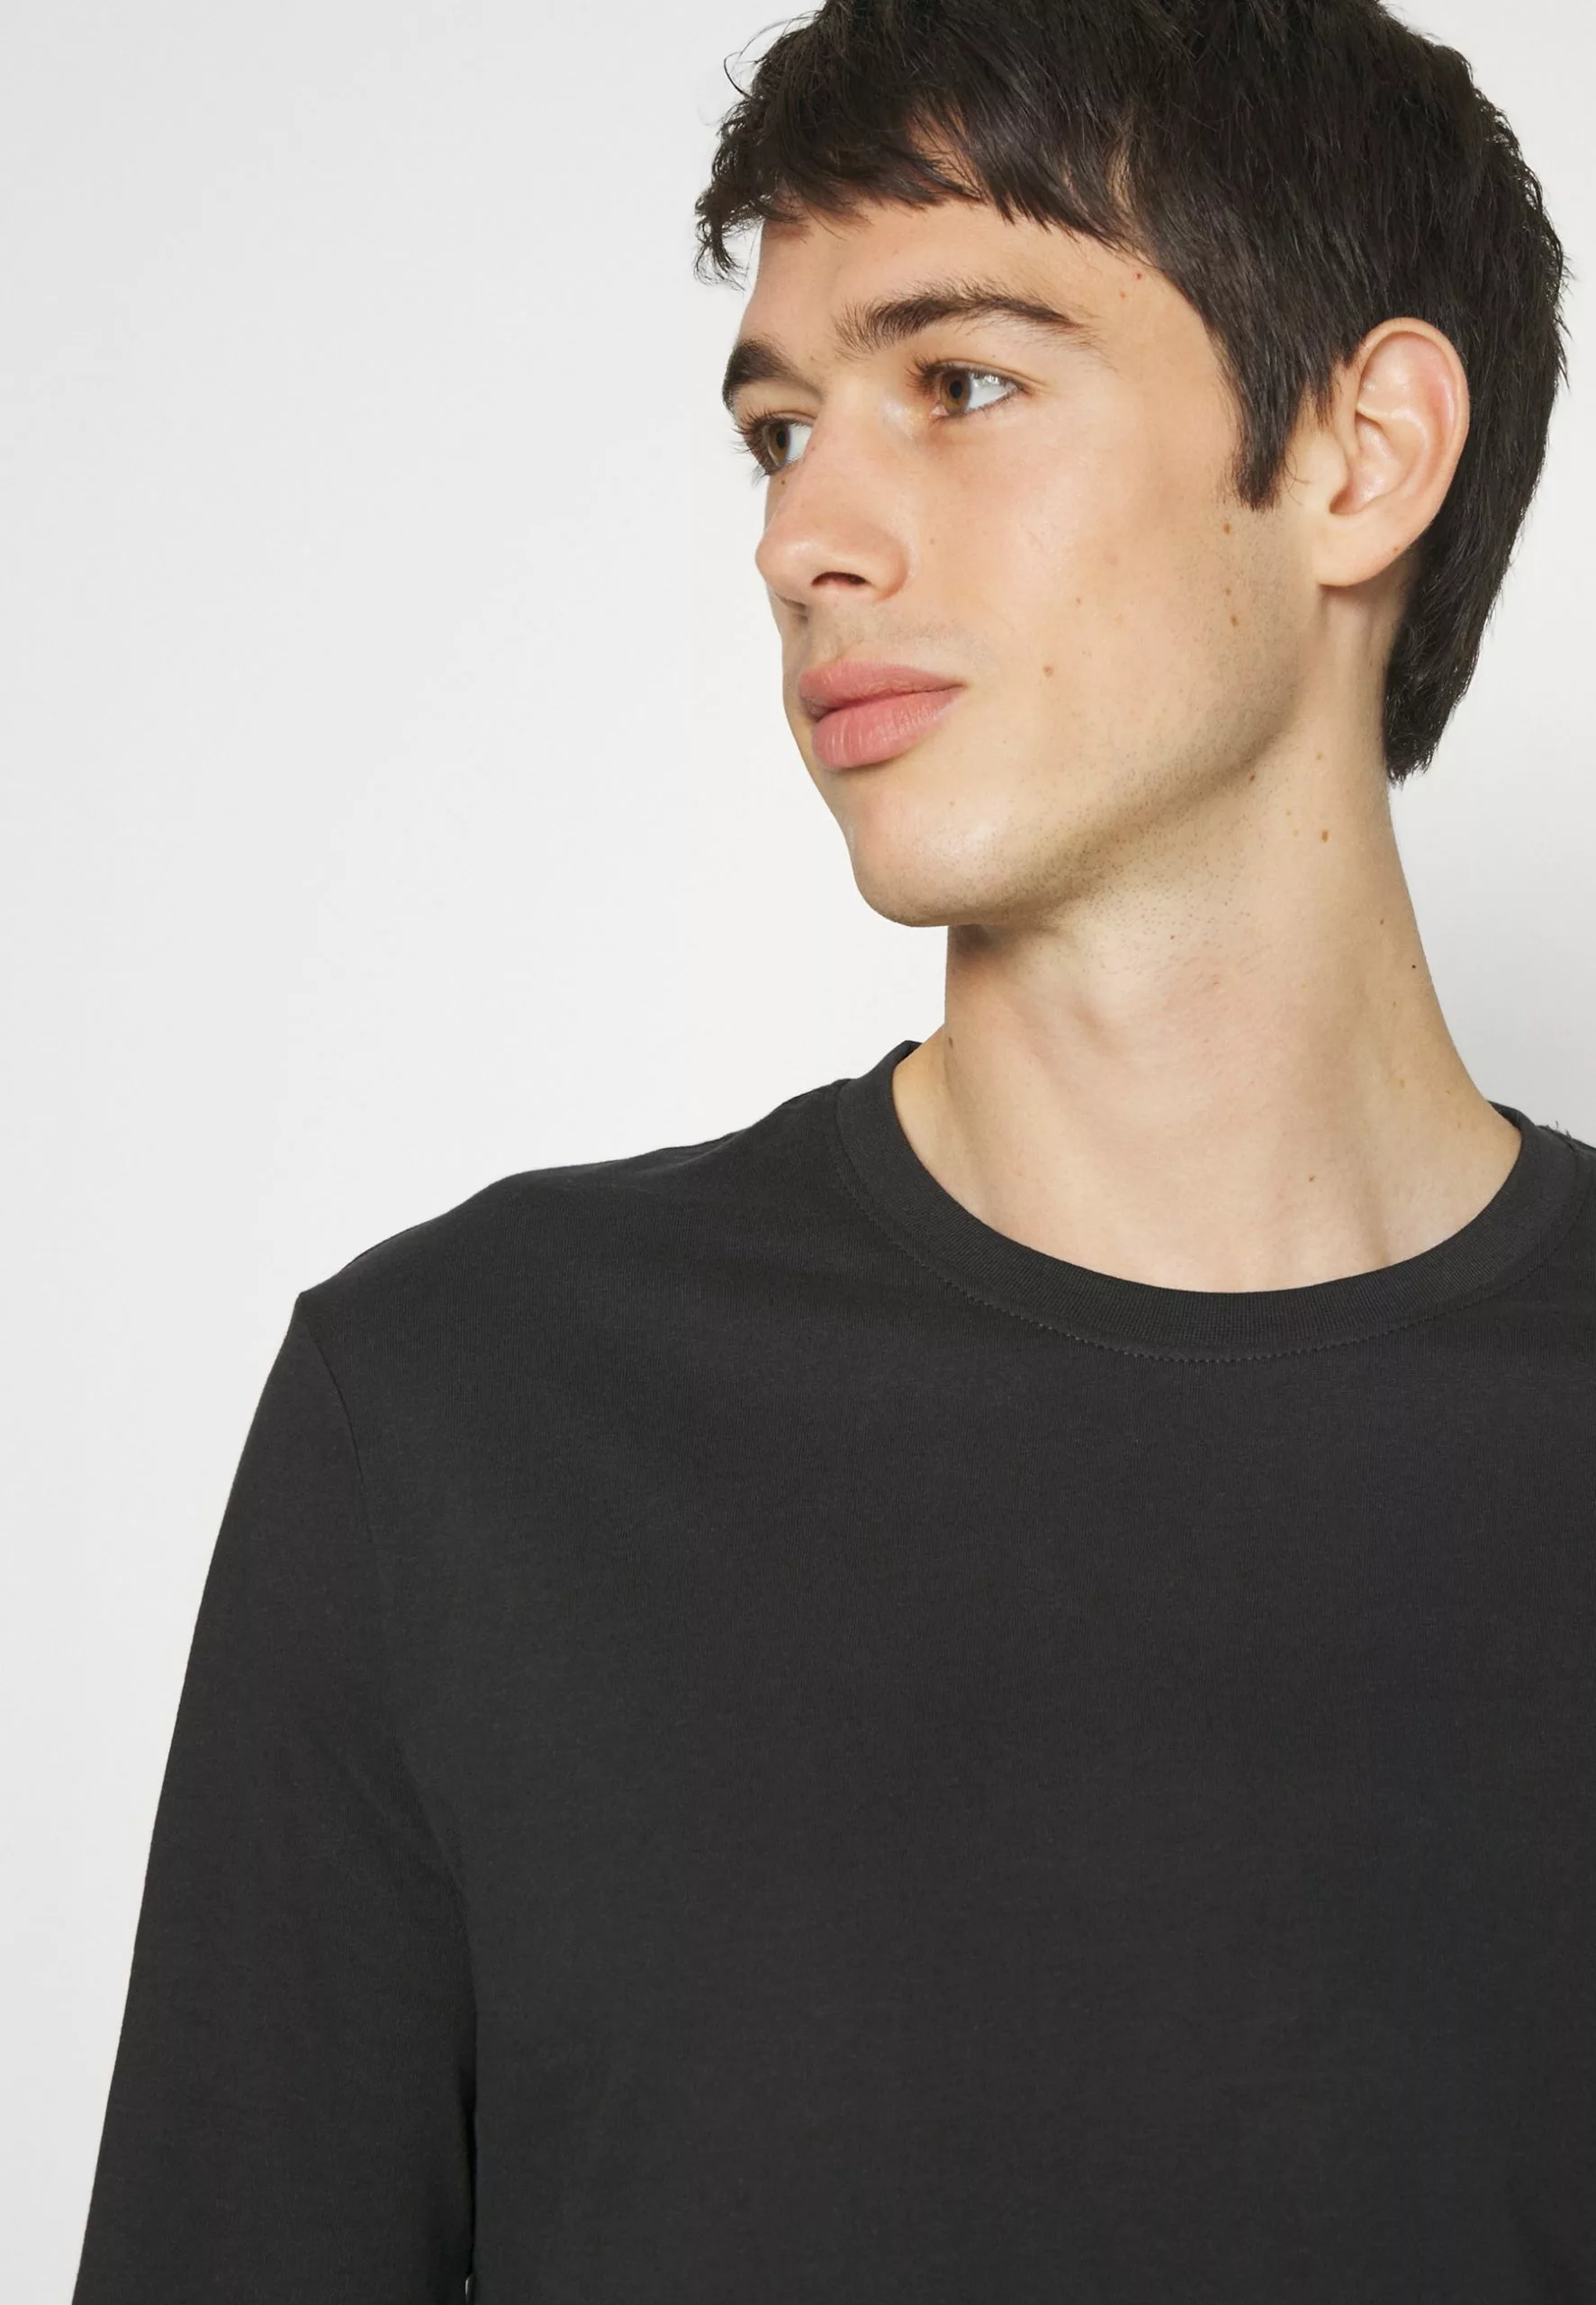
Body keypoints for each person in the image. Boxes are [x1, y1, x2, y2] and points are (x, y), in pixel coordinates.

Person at [71, 1, 1592, 2298]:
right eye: (778, 430)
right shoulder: (468, 1421)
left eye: (959, 383)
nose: (802, 536)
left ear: (1360, 455)